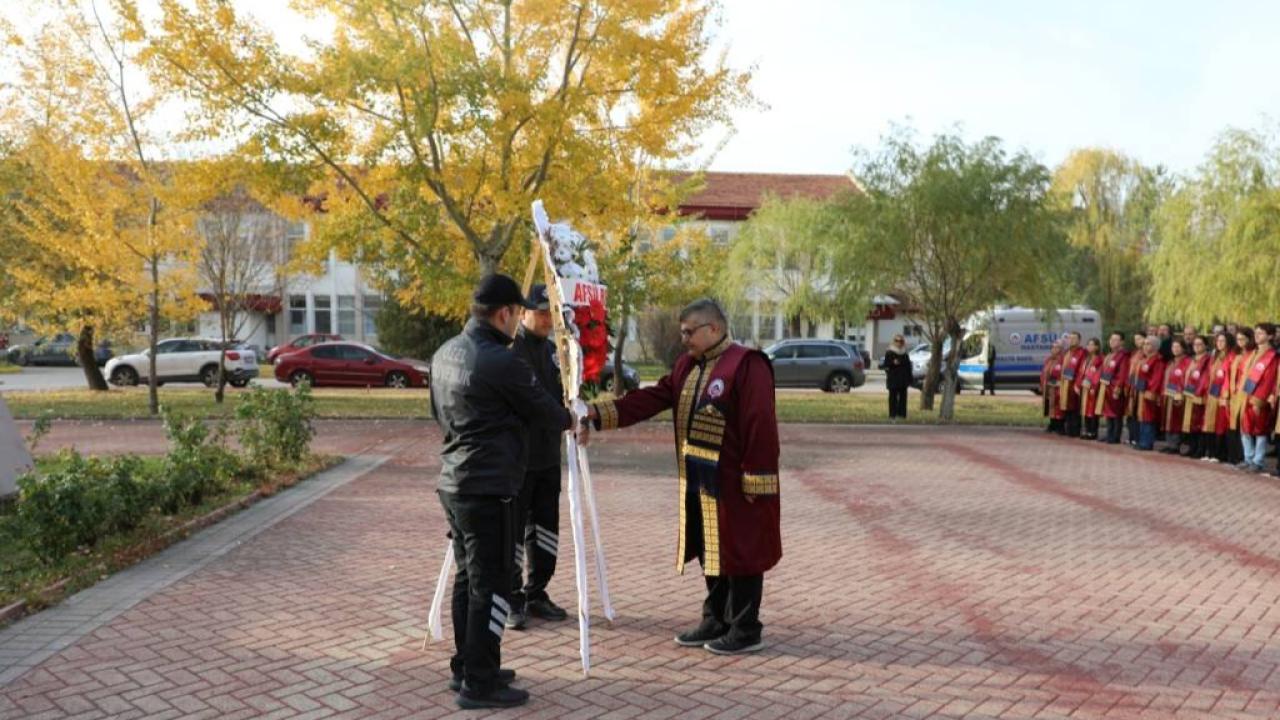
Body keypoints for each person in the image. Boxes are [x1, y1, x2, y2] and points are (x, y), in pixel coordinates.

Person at [586, 298, 781, 655]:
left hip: (737, 482)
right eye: (682, 333)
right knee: (710, 549)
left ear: (715, 329)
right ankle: (716, 619)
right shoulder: (687, 367)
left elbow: (761, 424)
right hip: (698, 479)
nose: (685, 339)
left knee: (742, 551)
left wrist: (757, 477)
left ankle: (746, 628)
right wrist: (595, 414)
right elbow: (650, 400)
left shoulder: (747, 365)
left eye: (690, 332)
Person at [430, 274, 576, 709]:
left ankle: (467, 666)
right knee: (490, 587)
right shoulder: (503, 360)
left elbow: (437, 414)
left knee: (468, 580)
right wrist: (575, 418)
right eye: (517, 313)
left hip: (455, 483)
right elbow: (547, 412)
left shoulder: (444, 353)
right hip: (488, 487)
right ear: (506, 313)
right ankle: (481, 682)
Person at [505, 284, 569, 630]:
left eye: (551, 312)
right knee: (514, 532)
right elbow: (530, 401)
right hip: (519, 460)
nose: (546, 318)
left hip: (548, 457)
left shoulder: (555, 350)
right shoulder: (513, 351)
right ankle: (513, 597)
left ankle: (537, 591)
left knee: (546, 529)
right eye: (541, 311)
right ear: (524, 312)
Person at [1238, 323, 1278, 474]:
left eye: (1261, 333)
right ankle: (1248, 458)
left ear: (1270, 336)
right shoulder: (1253, 353)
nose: (1257, 335)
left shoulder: (1272, 356)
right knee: (1245, 429)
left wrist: (1258, 400)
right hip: (1246, 395)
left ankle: (1258, 460)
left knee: (1260, 430)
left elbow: (1269, 380)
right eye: (1256, 333)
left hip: (1259, 398)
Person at [1201, 332, 1237, 463]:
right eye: (1218, 340)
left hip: (1223, 395)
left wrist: (1225, 394)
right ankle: (1210, 452)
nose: (1220, 343)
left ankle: (1220, 454)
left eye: (1223, 341)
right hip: (1212, 394)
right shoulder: (1214, 356)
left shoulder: (1231, 356)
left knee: (1220, 424)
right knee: (1209, 423)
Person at [1097, 332, 1131, 445]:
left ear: (1121, 342)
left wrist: (1118, 387)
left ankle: (1115, 436)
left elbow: (1123, 373)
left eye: (1115, 339)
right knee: (1108, 412)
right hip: (1106, 386)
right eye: (1111, 339)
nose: (1112, 341)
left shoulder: (1123, 356)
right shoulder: (1110, 355)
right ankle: (1109, 434)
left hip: (1115, 387)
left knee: (1116, 413)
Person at [1180, 336, 1211, 458]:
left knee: (1198, 422)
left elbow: (1206, 377)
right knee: (1190, 423)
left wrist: (1199, 392)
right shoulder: (1192, 360)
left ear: (1205, 346)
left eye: (1200, 344)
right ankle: (1192, 447)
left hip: (1198, 395)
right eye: (1195, 344)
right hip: (1188, 394)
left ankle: (1200, 449)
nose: (1197, 347)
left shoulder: (1207, 360)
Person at [1159, 338, 1192, 454]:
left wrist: (1180, 393)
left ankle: (1176, 444)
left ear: (1183, 348)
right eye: (1173, 347)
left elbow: (1187, 379)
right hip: (1168, 395)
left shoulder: (1187, 362)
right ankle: (1170, 443)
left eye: (1178, 347)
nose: (1175, 349)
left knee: (1176, 420)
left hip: (1179, 395)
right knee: (1168, 419)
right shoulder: (1171, 362)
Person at [1134, 336, 1166, 451]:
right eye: (1145, 344)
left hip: (1149, 393)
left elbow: (1157, 378)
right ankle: (1142, 440)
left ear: (1155, 347)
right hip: (1142, 391)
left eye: (1148, 344)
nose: (1145, 346)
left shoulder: (1157, 360)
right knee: (1142, 416)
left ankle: (1147, 442)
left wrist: (1152, 391)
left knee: (1148, 417)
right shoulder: (1145, 359)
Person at [1059, 332, 1088, 437]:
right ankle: (1068, 429)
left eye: (1074, 338)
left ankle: (1075, 430)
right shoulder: (1066, 352)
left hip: (1074, 385)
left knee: (1075, 408)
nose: (1071, 340)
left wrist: (1077, 383)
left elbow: (1082, 369)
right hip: (1065, 384)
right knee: (1066, 407)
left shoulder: (1082, 353)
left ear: (1079, 340)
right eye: (1070, 338)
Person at [880, 334, 912, 421]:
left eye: (901, 341)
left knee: (903, 397)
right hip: (893, 378)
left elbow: (908, 366)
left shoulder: (904, 353)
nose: (899, 343)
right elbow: (886, 365)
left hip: (903, 379)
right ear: (894, 341)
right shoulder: (889, 352)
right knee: (893, 397)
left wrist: (909, 378)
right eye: (897, 341)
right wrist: (893, 363)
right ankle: (892, 414)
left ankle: (902, 415)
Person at [1078, 337, 1105, 440]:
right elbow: (1082, 372)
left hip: (1093, 388)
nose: (1089, 347)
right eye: (1088, 344)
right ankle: (1087, 430)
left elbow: (1099, 373)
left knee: (1092, 410)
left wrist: (1093, 385)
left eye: (1091, 344)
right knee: (1085, 410)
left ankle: (1093, 431)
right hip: (1084, 388)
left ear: (1097, 347)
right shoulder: (1087, 359)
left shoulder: (1100, 359)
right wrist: (1079, 384)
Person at [1125, 331, 1148, 446]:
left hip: (1141, 387)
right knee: (1131, 413)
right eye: (1135, 339)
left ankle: (1138, 438)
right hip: (1132, 386)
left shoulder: (1147, 355)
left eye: (1139, 339)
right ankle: (1132, 436)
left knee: (1139, 413)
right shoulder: (1135, 353)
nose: (1137, 341)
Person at [1040, 341, 1065, 434]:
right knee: (1050, 406)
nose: (1055, 349)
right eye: (1053, 347)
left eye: (1057, 347)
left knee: (1058, 408)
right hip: (1049, 387)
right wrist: (1042, 384)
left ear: (1061, 349)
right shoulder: (1048, 360)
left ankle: (1060, 426)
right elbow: (1043, 373)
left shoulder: (1063, 360)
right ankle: (1052, 424)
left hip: (1058, 387)